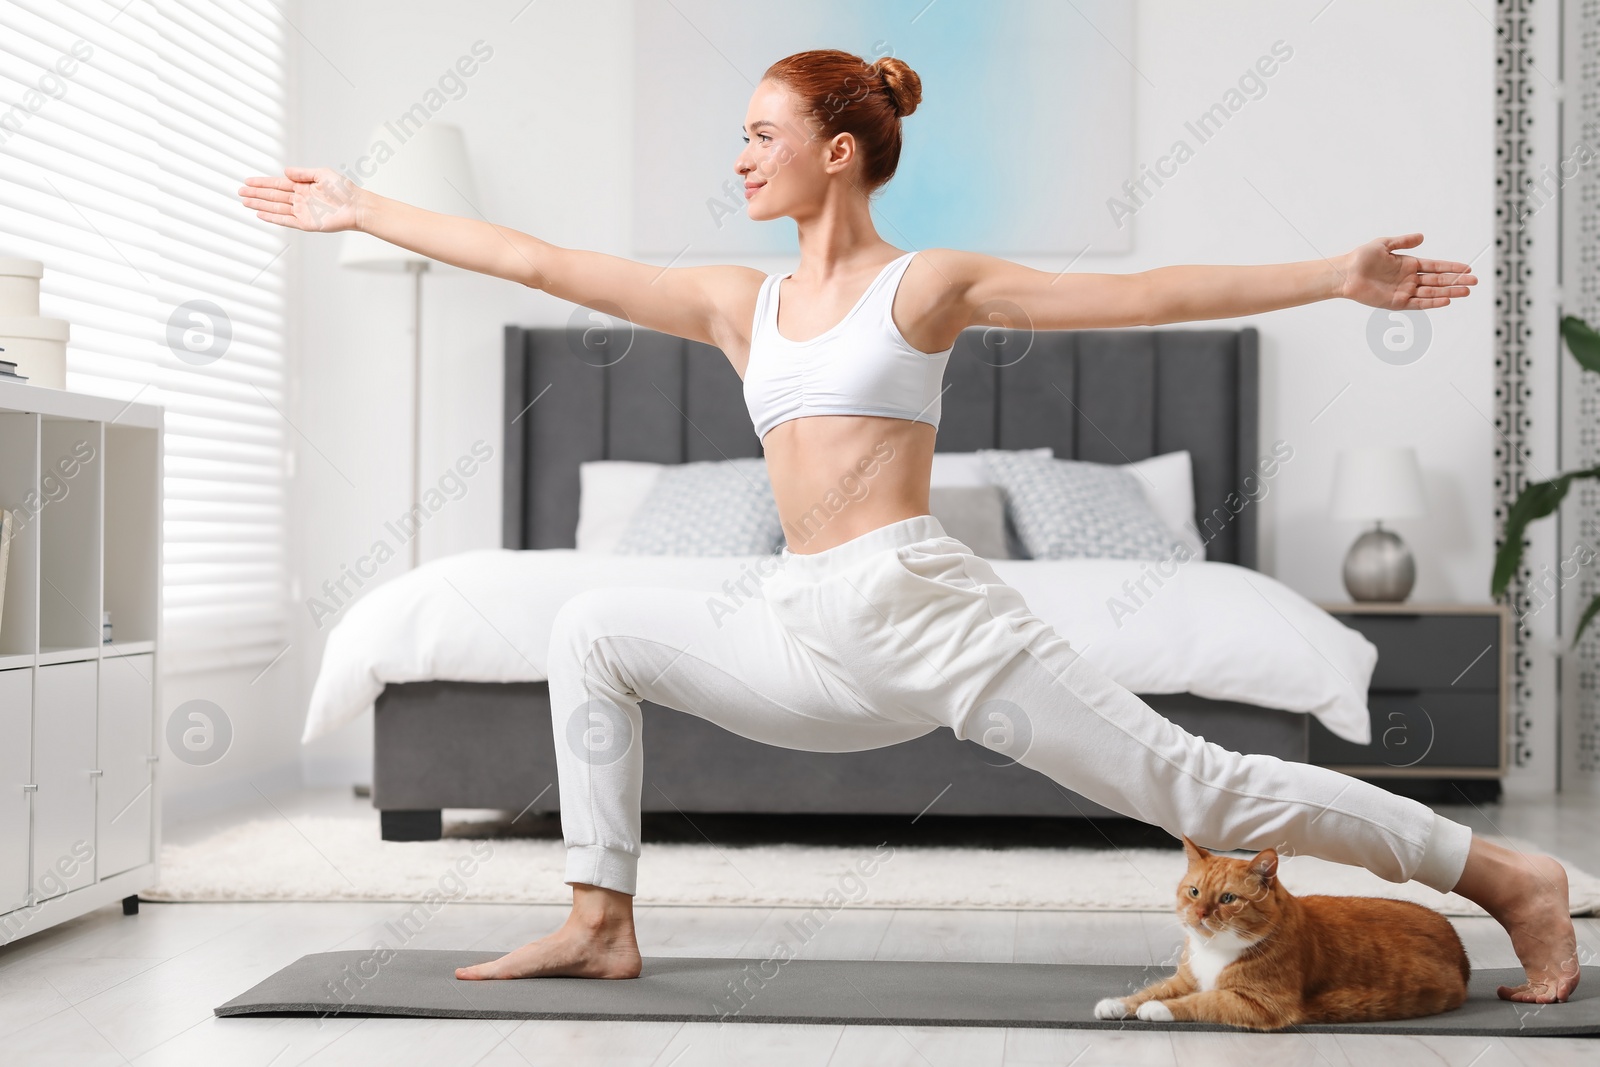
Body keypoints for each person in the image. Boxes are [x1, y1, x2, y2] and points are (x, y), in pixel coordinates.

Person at [239, 48, 1578, 1004]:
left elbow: (1150, 296)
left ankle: (1501, 874)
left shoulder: (924, 286)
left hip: (921, 613)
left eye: (762, 135)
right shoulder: (735, 300)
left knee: (1202, 791)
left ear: (838, 151)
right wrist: (364, 208)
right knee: (591, 623)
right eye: (740, 135)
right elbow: (539, 260)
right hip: (797, 625)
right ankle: (599, 922)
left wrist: (1332, 274)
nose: (742, 156)